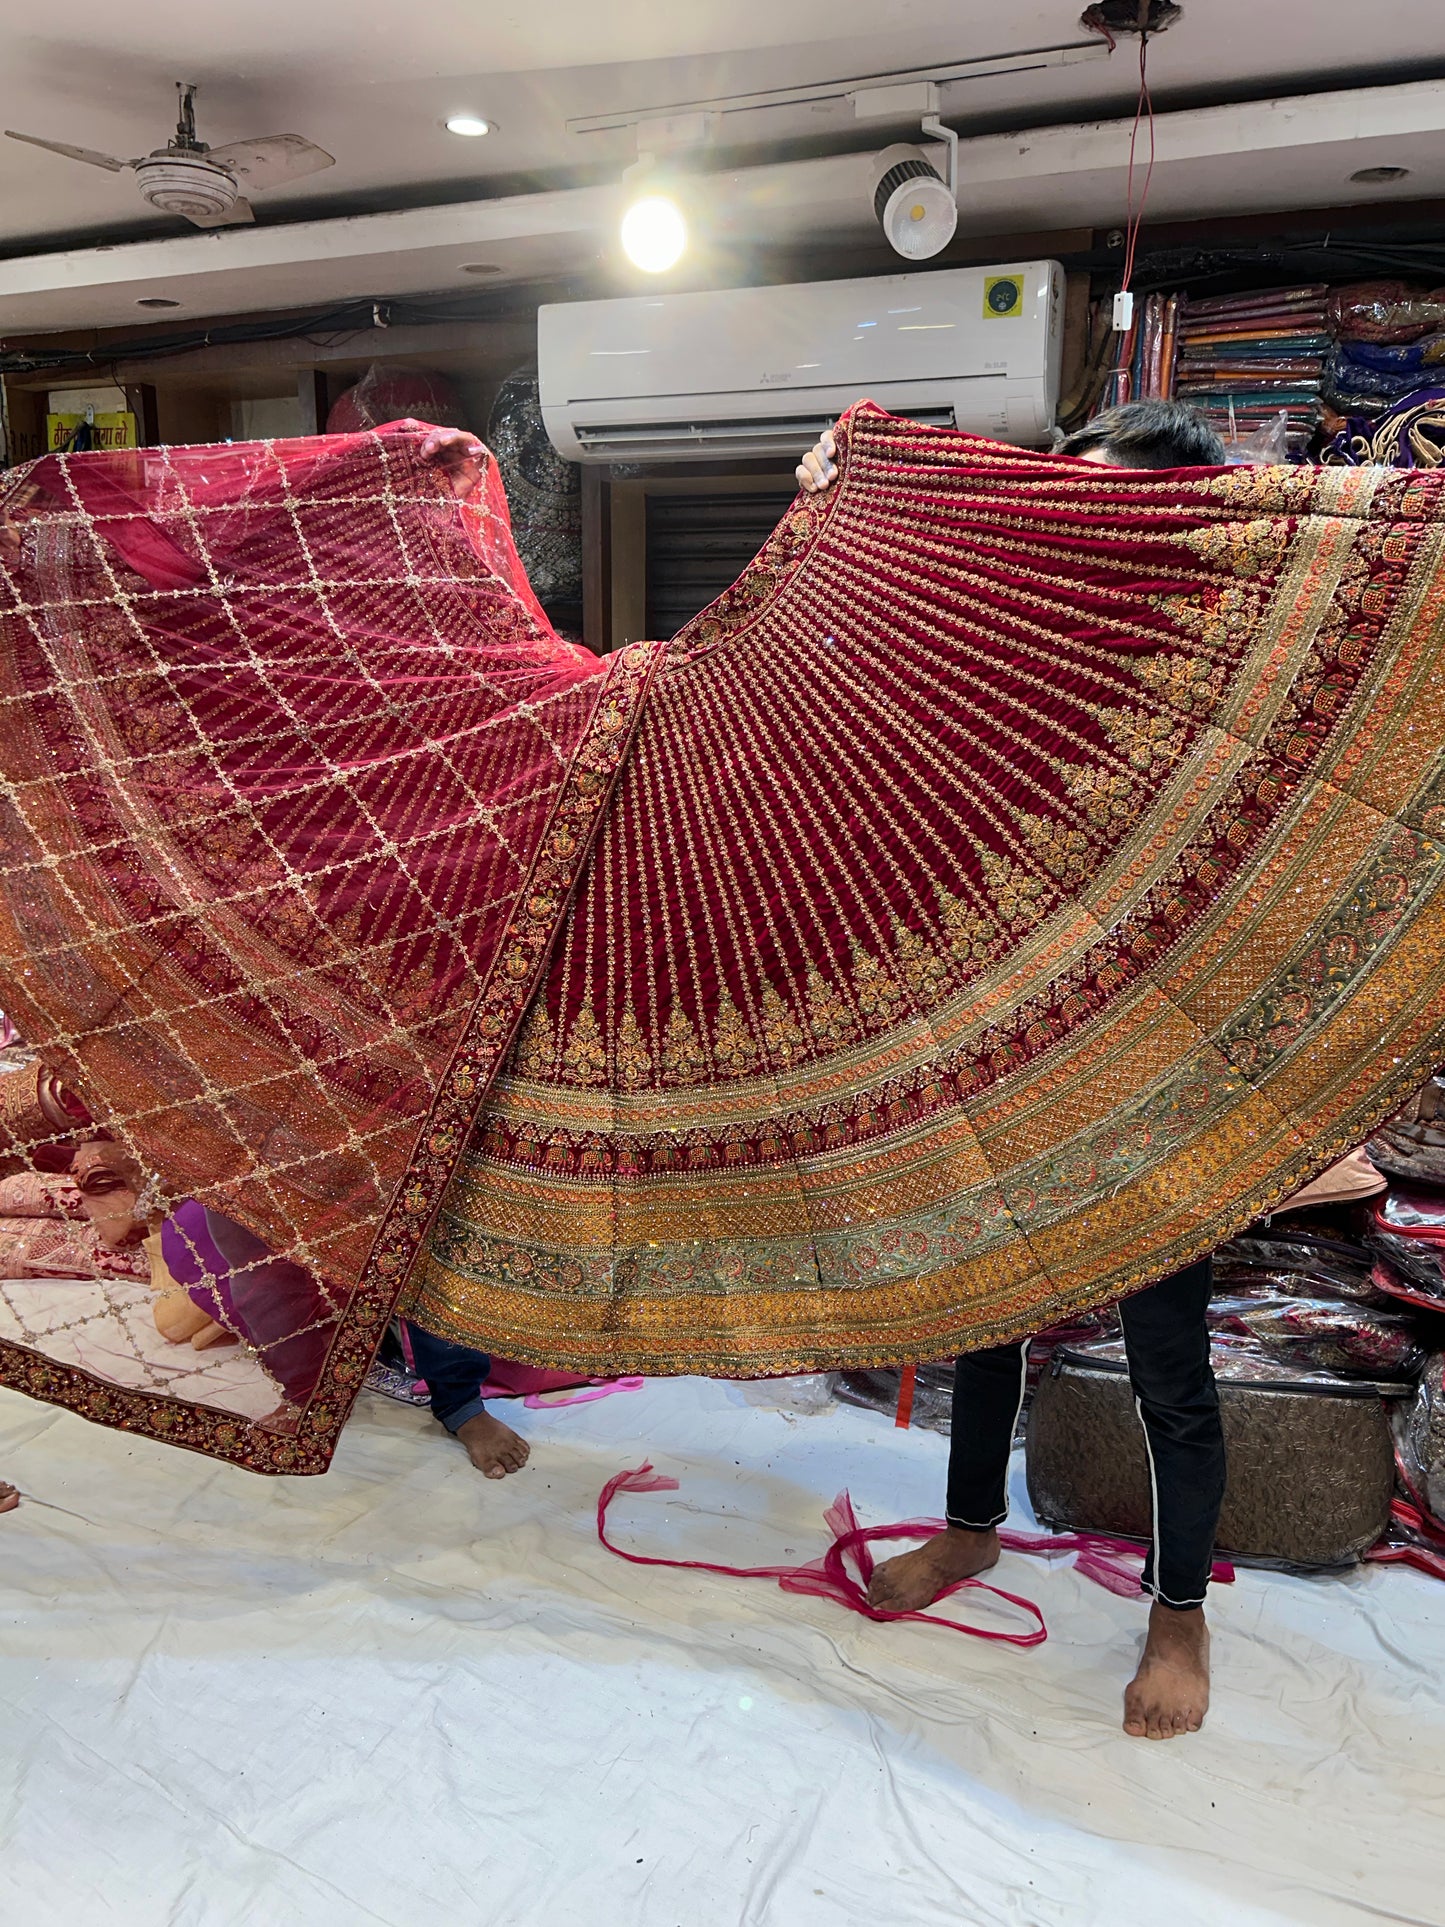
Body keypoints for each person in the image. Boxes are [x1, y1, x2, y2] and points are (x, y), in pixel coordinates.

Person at [798, 399, 1229, 1743]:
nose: (1079, 528)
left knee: (1166, 1362)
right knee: (982, 1312)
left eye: (1110, 507)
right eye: (1068, 503)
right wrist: (840, 497)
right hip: (1009, 1036)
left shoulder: (1216, 643)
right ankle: (972, 1530)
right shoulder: (1021, 644)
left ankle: (1176, 1613)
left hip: (1152, 1059)